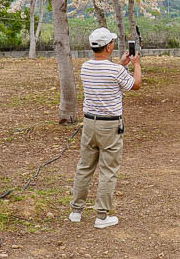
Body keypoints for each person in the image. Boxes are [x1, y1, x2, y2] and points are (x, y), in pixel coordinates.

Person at [69, 27, 141, 229]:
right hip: (109, 124)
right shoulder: (115, 71)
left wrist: (121, 64)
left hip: (89, 123)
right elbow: (135, 85)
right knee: (108, 170)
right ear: (109, 46)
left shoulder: (85, 67)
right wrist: (135, 65)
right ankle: (102, 215)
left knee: (85, 167)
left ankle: (76, 210)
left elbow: (106, 74)